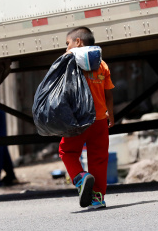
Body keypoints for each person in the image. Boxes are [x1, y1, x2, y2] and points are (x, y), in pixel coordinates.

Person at [59, 26, 115, 209]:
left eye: (68, 44)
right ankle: (98, 198)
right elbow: (109, 95)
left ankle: (80, 177)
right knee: (99, 158)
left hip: (78, 121)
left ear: (78, 42)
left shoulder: (70, 62)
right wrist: (111, 116)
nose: (66, 49)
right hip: (100, 120)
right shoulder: (102, 64)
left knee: (67, 152)